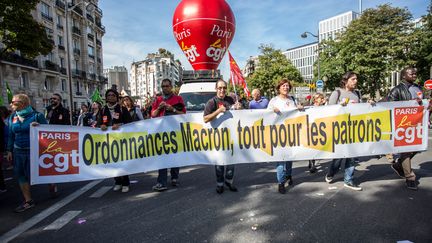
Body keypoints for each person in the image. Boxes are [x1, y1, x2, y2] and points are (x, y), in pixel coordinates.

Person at [386, 67, 426, 191]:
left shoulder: (418, 88)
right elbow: (390, 105)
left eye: (415, 72)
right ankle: (410, 177)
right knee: (406, 150)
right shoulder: (397, 90)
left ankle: (398, 165)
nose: (414, 74)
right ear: (403, 76)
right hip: (403, 125)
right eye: (411, 72)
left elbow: (424, 104)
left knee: (417, 148)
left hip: (416, 124)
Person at [7, 94, 48, 212]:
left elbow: (48, 132)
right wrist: (9, 150)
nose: (11, 104)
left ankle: (51, 181)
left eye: (14, 102)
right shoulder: (12, 117)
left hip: (34, 150)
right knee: (20, 174)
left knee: (39, 173)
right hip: (18, 150)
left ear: (23, 104)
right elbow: (11, 134)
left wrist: (39, 126)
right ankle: (28, 200)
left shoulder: (37, 116)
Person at [325, 71, 362, 191]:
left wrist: (370, 105)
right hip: (339, 130)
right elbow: (328, 109)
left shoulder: (357, 94)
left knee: (351, 156)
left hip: (353, 129)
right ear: (345, 81)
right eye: (353, 79)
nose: (355, 81)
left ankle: (348, 180)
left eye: (356, 79)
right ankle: (331, 173)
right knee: (339, 157)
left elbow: (362, 110)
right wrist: (339, 105)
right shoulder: (337, 92)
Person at [203, 79, 241, 194]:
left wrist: (240, 108)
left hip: (232, 137)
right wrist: (218, 111)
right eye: (220, 88)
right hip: (218, 138)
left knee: (231, 161)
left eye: (224, 88)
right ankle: (220, 184)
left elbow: (239, 114)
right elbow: (205, 119)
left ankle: (229, 181)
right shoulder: (211, 102)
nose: (222, 90)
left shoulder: (230, 100)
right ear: (216, 89)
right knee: (219, 162)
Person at [267, 79, 304, 194]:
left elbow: (299, 110)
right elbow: (266, 114)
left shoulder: (293, 99)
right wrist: (272, 110)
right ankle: (281, 182)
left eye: (287, 86)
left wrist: (300, 108)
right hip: (278, 133)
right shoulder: (274, 100)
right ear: (279, 88)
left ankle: (288, 175)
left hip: (291, 133)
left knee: (289, 157)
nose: (285, 88)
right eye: (283, 86)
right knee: (280, 159)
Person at [151, 79, 186, 192]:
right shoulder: (158, 99)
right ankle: (162, 182)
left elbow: (184, 114)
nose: (165, 88)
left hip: (175, 132)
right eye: (163, 86)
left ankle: (174, 177)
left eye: (167, 86)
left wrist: (173, 109)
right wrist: (159, 108)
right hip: (161, 133)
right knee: (163, 157)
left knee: (175, 156)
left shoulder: (178, 99)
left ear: (171, 87)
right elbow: (153, 115)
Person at [97, 89, 133, 192]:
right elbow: (99, 123)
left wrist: (119, 125)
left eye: (113, 95)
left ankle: (125, 182)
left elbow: (129, 123)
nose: (111, 97)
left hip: (120, 140)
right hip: (108, 141)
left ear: (116, 97)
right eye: (109, 95)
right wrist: (102, 125)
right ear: (106, 97)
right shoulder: (103, 110)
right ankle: (117, 181)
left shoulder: (122, 109)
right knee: (112, 161)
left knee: (121, 161)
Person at [45, 93, 71, 197]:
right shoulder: (47, 110)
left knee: (57, 161)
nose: (52, 100)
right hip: (46, 139)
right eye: (51, 98)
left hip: (58, 141)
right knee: (48, 161)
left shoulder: (64, 111)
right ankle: (52, 183)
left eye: (54, 99)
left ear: (59, 100)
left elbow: (67, 125)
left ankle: (54, 181)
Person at [307, 93, 326, 173]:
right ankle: (312, 164)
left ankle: (311, 162)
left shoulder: (324, 107)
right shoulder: (310, 107)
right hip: (311, 129)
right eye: (320, 98)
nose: (321, 99)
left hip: (320, 129)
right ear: (315, 99)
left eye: (322, 98)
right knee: (312, 147)